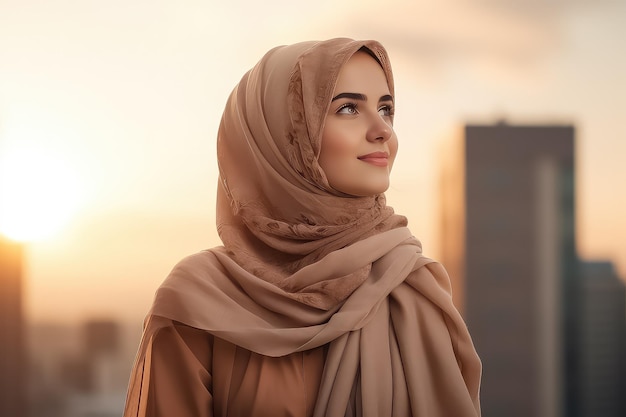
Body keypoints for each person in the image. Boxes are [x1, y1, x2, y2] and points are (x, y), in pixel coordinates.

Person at [123, 37, 481, 417]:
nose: (382, 131)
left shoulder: (410, 287)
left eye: (386, 109)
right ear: (282, 135)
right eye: (348, 108)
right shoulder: (198, 302)